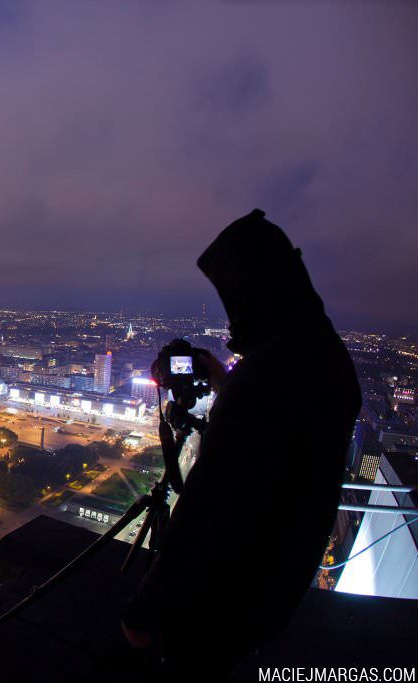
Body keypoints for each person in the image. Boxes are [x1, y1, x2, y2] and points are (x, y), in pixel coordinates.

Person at [120, 209, 362, 677]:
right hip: (275, 586)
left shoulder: (266, 378)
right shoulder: (327, 357)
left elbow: (206, 510)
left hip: (222, 598)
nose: (234, 317)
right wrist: (226, 382)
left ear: (256, 291)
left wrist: (146, 608)